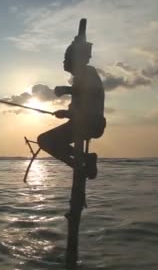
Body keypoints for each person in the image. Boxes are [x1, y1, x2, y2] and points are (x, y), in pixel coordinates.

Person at [37, 40, 106, 179]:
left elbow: (91, 93)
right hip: (84, 122)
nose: (64, 63)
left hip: (90, 123)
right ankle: (85, 159)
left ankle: (80, 164)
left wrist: (66, 90)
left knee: (44, 140)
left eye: (66, 59)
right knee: (50, 141)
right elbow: (85, 104)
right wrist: (67, 113)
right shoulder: (82, 76)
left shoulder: (88, 72)